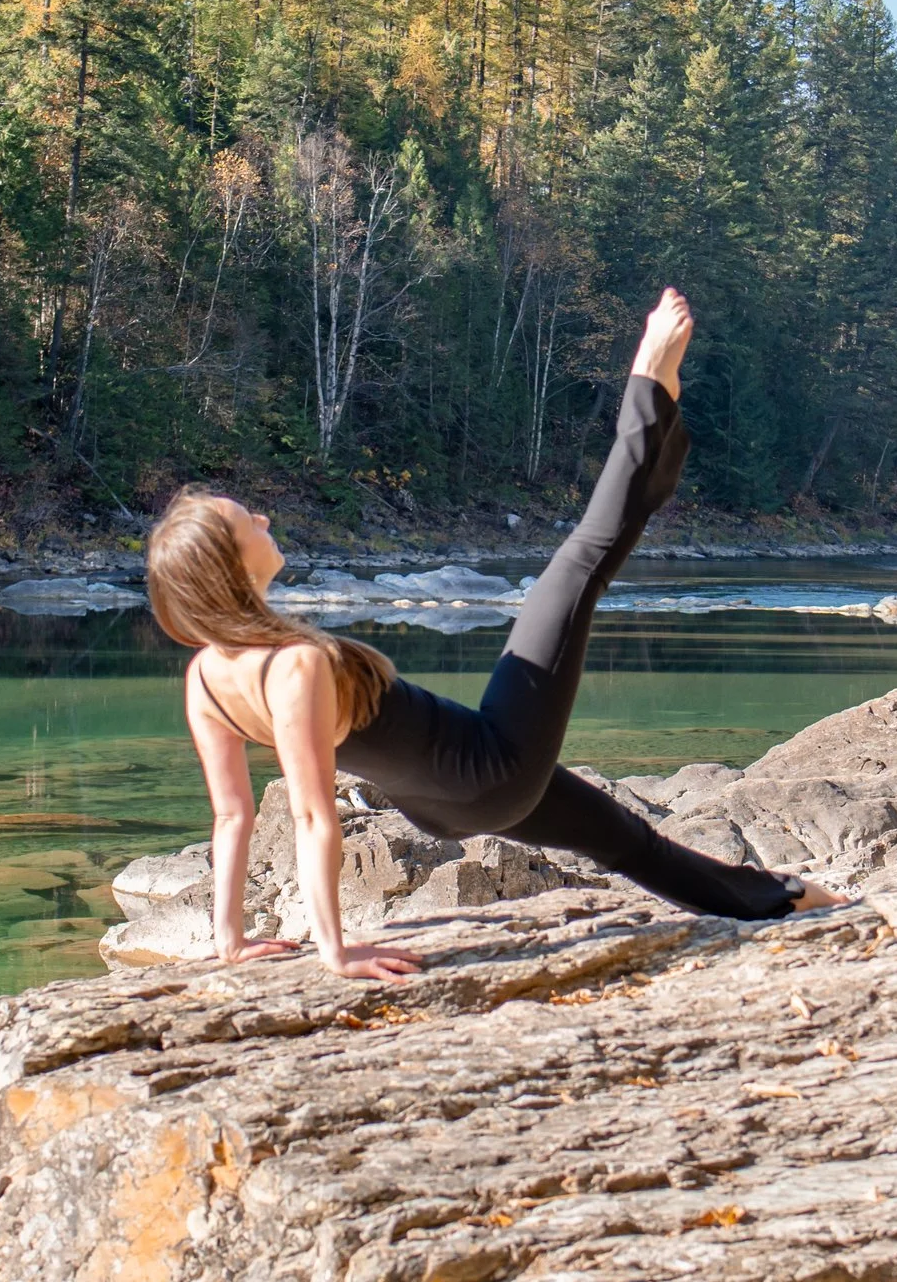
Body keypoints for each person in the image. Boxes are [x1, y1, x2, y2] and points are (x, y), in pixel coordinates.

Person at [144, 288, 845, 982]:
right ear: (231, 569)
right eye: (249, 524)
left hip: (441, 806)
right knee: (578, 562)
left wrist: (230, 940)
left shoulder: (206, 676)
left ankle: (778, 897)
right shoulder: (293, 667)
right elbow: (309, 814)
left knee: (628, 843)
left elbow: (232, 817)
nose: (265, 520)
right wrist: (336, 951)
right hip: (493, 764)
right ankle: (647, 387)